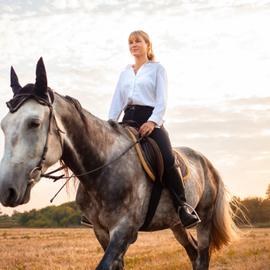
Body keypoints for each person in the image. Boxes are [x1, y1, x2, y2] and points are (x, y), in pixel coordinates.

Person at [108, 30, 200, 228]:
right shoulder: (125, 72)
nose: (134, 45)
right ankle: (97, 209)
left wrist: (153, 121)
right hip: (127, 119)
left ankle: (183, 207)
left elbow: (161, 100)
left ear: (148, 45)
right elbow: (117, 101)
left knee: (167, 158)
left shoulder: (158, 69)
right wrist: (110, 124)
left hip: (149, 118)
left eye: (138, 41)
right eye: (130, 42)